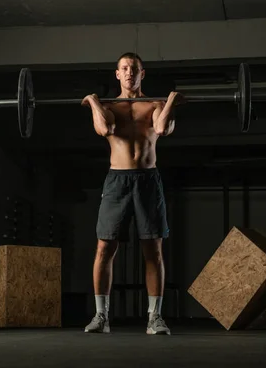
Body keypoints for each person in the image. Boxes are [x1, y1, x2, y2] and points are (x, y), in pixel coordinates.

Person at [81, 52, 184, 335]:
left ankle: (155, 318)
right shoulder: (108, 106)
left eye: (134, 69)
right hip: (117, 181)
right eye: (124, 68)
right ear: (117, 74)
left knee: (154, 250)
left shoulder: (155, 104)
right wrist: (92, 101)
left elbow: (162, 128)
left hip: (148, 180)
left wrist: (172, 100)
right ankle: (101, 316)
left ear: (142, 73)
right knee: (105, 248)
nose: (129, 73)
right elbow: (105, 128)